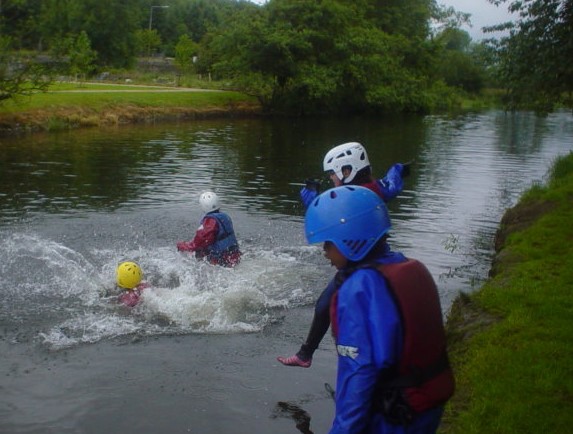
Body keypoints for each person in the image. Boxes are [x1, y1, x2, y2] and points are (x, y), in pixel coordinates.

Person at [304, 185, 454, 433]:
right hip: (427, 404)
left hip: (394, 415)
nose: (324, 253)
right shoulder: (411, 266)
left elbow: (358, 377)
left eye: (328, 243)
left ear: (348, 239)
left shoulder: (359, 290)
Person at [278, 142, 410, 367]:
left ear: (347, 170)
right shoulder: (377, 187)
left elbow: (328, 214)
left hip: (357, 264)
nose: (331, 178)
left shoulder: (348, 198)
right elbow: (393, 184)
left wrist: (311, 199)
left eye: (333, 174)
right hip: (383, 257)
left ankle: (305, 355)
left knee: (323, 307)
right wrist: (398, 169)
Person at [177, 191, 242, 268]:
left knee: (198, 252)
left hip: (221, 259)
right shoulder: (225, 217)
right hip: (234, 254)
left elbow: (199, 241)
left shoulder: (210, 221)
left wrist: (183, 246)